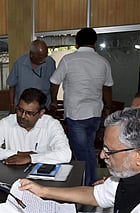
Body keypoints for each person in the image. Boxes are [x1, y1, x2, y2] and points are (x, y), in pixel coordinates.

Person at [50, 27, 114, 186]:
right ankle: (90, 182)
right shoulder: (103, 61)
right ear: (95, 42)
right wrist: (108, 108)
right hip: (94, 114)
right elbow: (107, 87)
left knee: (82, 153)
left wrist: (52, 100)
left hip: (76, 114)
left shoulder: (68, 60)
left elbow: (54, 81)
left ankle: (87, 185)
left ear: (77, 43)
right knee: (89, 149)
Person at [0, 87, 71, 165]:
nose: (22, 116)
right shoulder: (6, 122)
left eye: (29, 113)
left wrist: (31, 158)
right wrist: (17, 153)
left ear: (41, 113)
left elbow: (65, 154)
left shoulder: (51, 124)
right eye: (20, 110)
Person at [6, 39, 56, 109]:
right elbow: (12, 86)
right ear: (31, 55)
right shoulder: (19, 63)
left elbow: (54, 84)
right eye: (41, 58)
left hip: (43, 106)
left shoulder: (50, 62)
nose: (44, 60)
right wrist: (12, 105)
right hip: (24, 107)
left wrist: (53, 102)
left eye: (46, 56)